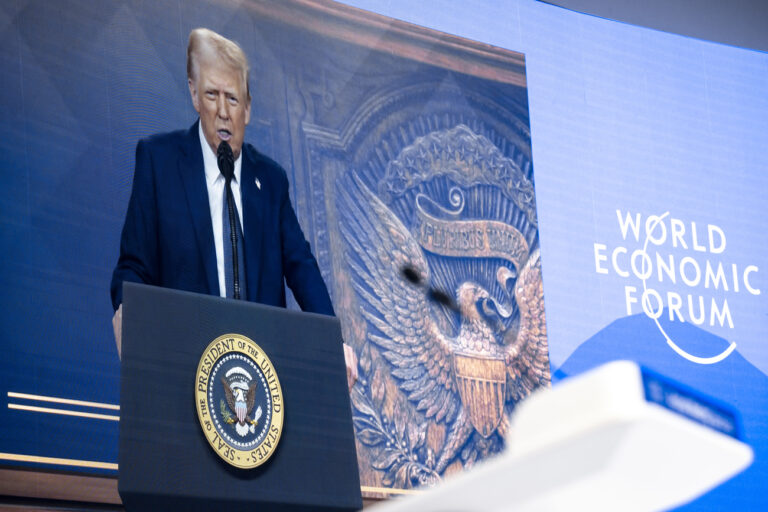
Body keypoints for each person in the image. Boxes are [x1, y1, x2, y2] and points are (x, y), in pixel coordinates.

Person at [111, 28, 357, 388]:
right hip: (184, 372)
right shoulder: (159, 162)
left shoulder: (270, 181)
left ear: (249, 108)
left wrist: (332, 340)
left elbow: (301, 265)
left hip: (261, 382)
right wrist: (131, 315)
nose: (224, 112)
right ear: (194, 94)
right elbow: (133, 266)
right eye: (212, 95)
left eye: (233, 99)